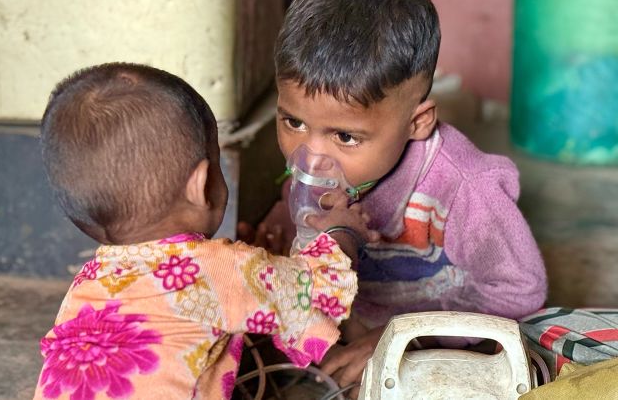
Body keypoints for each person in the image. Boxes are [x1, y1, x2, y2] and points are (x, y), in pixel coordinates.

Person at [238, 0, 548, 389]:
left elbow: (520, 289)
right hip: (353, 332)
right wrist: (279, 226)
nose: (310, 155)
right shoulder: (329, 163)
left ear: (417, 122)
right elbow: (303, 200)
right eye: (292, 123)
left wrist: (405, 337)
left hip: (437, 353)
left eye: (345, 136)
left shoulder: (464, 188)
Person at [33, 62, 379, 400]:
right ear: (204, 183)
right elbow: (319, 288)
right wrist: (341, 230)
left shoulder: (87, 286)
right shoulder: (221, 268)